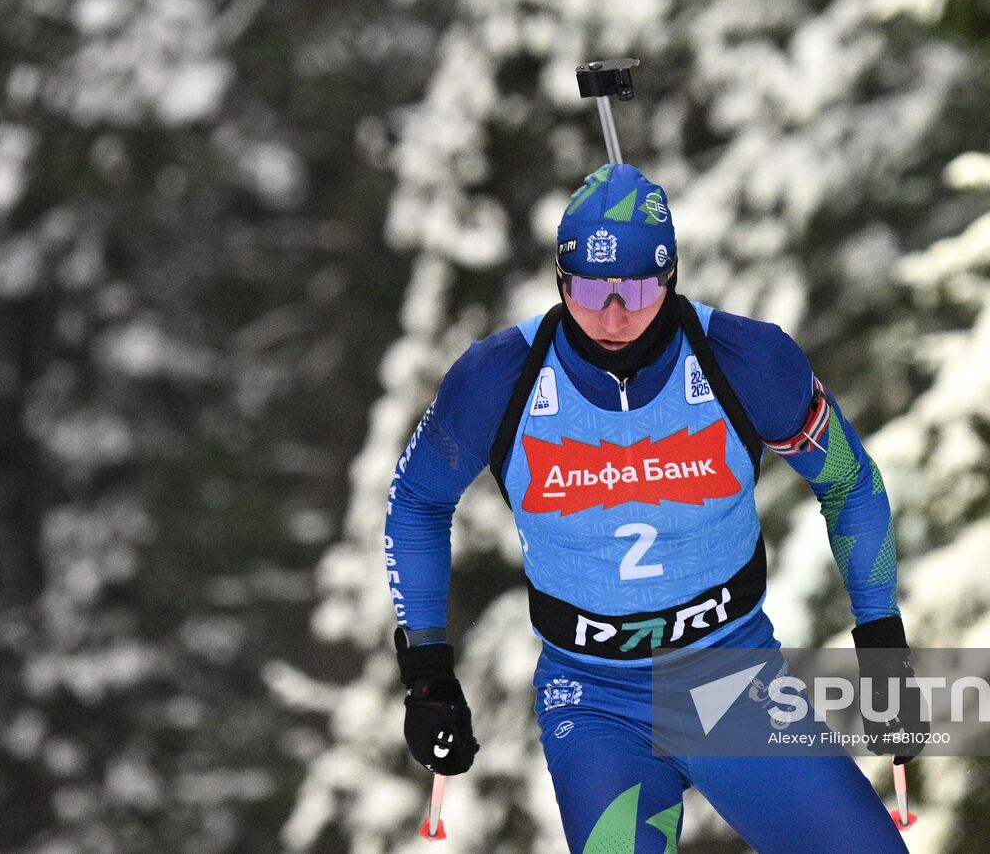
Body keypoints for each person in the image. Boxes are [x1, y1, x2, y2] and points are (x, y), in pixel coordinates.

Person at [384, 163, 922, 852]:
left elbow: (847, 479)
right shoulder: (499, 378)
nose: (612, 315)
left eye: (636, 290)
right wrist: (427, 673)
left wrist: (882, 644)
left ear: (670, 277)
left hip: (731, 683)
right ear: (559, 280)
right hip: (594, 700)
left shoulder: (743, 360)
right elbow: (417, 502)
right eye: (588, 290)